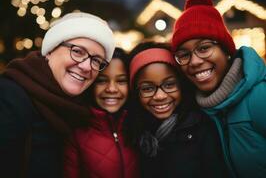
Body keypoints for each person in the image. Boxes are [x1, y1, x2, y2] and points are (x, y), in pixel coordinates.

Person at [0, 12, 116, 178]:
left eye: (96, 60)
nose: (86, 66)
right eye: (77, 51)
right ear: (50, 50)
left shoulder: (82, 112)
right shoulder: (10, 97)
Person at [171, 0, 266, 178]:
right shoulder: (201, 108)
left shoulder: (259, 96)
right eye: (184, 54)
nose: (195, 61)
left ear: (226, 51)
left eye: (204, 48)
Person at [127, 41, 228, 178]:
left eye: (169, 85)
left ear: (182, 86)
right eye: (147, 88)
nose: (160, 96)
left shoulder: (202, 129)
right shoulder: (131, 132)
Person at [64, 47, 139, 178]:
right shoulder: (75, 133)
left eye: (121, 81)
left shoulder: (139, 126)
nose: (111, 89)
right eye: (102, 81)